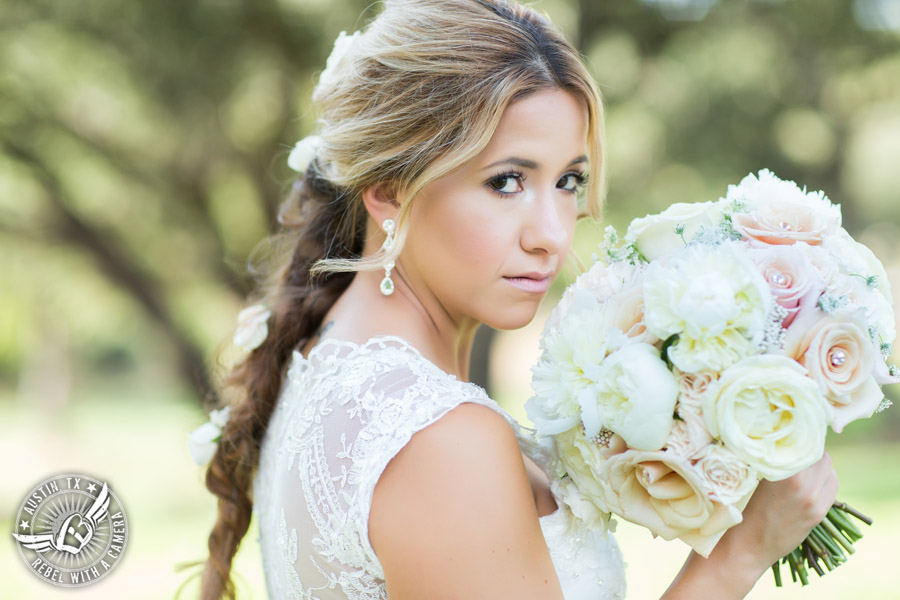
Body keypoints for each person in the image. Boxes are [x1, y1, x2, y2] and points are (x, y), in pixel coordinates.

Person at [199, 0, 839, 598]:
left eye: (568, 181)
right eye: (507, 181)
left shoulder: (326, 356)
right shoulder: (440, 439)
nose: (553, 235)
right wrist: (739, 554)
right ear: (389, 191)